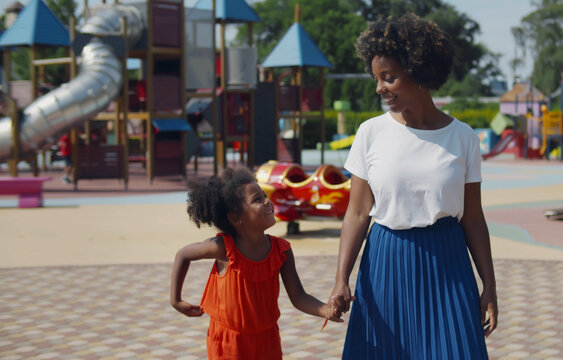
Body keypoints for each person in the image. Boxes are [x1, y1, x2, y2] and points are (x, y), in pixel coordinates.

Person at [328, 14, 498, 359]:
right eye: (377, 79)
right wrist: (341, 278)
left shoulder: (463, 137)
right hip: (386, 261)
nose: (380, 88)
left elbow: (474, 218)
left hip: (448, 262)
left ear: (420, 72)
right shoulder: (370, 133)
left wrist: (489, 285)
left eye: (388, 78)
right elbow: (358, 213)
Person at [170, 167, 341, 359]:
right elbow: (183, 254)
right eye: (257, 200)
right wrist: (176, 300)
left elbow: (299, 296)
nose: (268, 202)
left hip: (267, 340)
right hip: (229, 343)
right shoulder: (223, 248)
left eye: (265, 196)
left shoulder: (281, 250)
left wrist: (326, 309)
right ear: (235, 217)